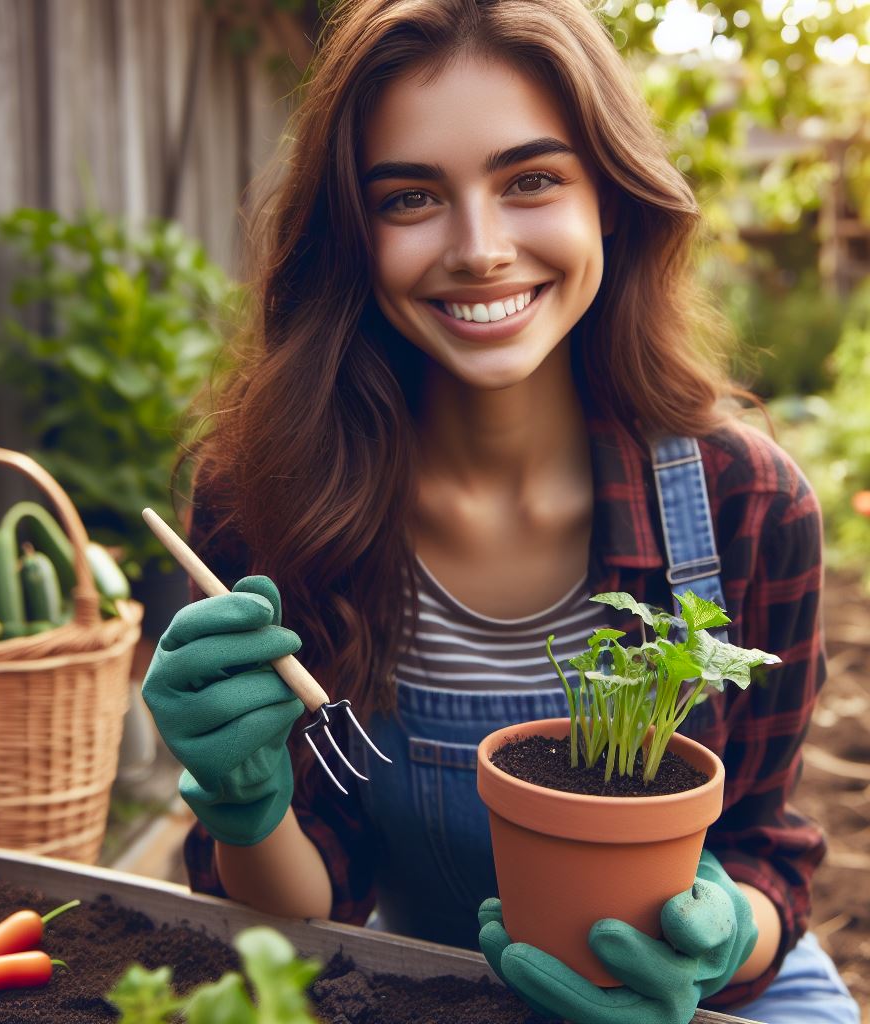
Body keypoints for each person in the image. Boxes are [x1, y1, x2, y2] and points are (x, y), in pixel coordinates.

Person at [141, 1, 860, 1021]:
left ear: (607, 196)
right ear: (354, 233)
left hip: (715, 999)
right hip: (430, 976)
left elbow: (759, 847)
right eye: (409, 198)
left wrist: (718, 938)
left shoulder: (747, 502)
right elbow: (305, 917)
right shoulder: (267, 498)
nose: (478, 248)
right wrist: (244, 808)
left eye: (531, 180)